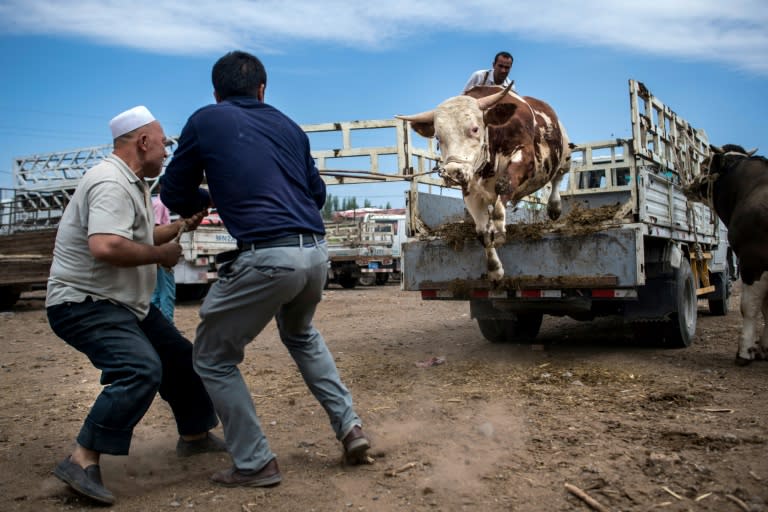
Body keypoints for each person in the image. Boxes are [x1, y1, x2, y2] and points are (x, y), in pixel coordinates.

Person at [160, 50, 370, 488]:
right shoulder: (290, 128)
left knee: (213, 358)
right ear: (262, 89)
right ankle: (351, 428)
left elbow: (175, 192)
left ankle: (255, 462)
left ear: (216, 93)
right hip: (315, 253)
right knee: (301, 334)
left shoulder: (204, 120)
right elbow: (316, 196)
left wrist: (211, 197)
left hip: (268, 255)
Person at [46, 105, 226, 505]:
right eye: (163, 144)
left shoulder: (132, 184)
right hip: (84, 303)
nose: (166, 153)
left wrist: (180, 226)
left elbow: (138, 234)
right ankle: (82, 458)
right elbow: (106, 245)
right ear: (143, 142)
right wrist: (161, 257)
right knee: (139, 369)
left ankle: (195, 436)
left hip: (121, 303)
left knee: (179, 358)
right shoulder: (110, 182)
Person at [150, 188, 177, 321]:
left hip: (157, 254)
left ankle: (153, 325)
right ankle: (168, 324)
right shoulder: (160, 205)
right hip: (162, 254)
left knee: (156, 293)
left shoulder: (157, 203)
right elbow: (156, 230)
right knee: (167, 291)